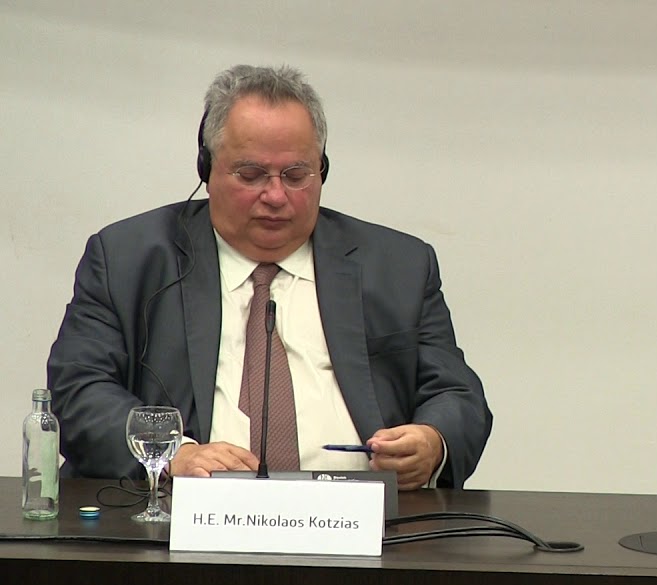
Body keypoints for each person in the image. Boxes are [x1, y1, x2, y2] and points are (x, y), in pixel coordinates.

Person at [47, 64, 492, 490]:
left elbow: (458, 395)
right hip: (182, 519)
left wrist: (433, 441)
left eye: (296, 175)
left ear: (322, 171)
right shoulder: (129, 259)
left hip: (360, 521)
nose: (276, 195)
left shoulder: (398, 266)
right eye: (251, 174)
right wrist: (172, 456)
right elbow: (79, 391)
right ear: (207, 170)